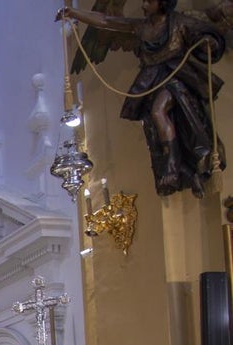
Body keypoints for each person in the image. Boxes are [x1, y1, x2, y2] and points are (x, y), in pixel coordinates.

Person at [58, 0, 225, 197]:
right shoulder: (142, 26)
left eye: (149, 1)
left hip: (177, 77)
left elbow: (209, 34)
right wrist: (74, 13)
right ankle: (183, 170)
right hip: (151, 83)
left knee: (159, 111)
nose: (144, 5)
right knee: (157, 127)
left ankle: (174, 165)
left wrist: (210, 42)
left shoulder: (179, 22)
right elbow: (105, 21)